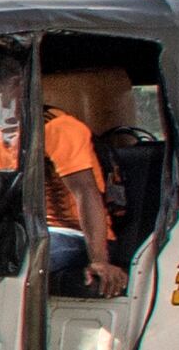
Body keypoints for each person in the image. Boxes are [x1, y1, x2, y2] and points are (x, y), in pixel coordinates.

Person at [41, 76, 129, 296]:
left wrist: (99, 260)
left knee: (22, 259)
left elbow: (85, 191)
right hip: (30, 230)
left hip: (75, 233)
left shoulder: (58, 128)